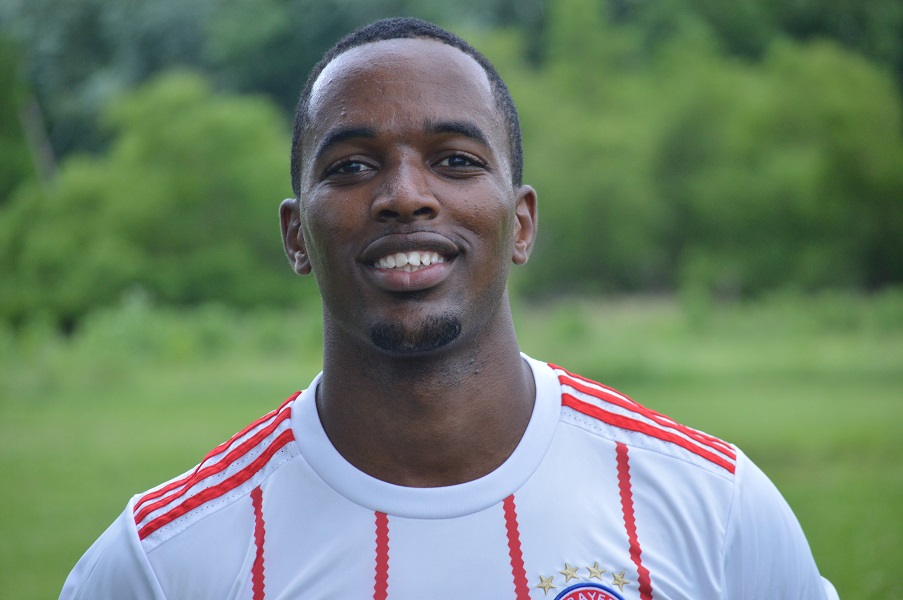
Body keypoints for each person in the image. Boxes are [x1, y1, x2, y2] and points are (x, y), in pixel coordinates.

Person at [60, 17, 838, 600]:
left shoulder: (711, 506)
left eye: (456, 161)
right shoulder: (162, 562)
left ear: (520, 223)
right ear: (296, 236)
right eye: (352, 166)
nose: (404, 195)